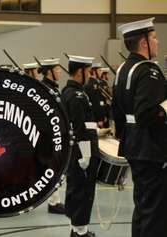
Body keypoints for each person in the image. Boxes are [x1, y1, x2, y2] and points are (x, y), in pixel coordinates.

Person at [112, 17, 167, 237]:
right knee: (157, 213)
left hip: (134, 147)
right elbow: (147, 115)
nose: (157, 42)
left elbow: (117, 112)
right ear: (143, 42)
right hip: (153, 149)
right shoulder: (148, 71)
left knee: (143, 208)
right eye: (154, 38)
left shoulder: (123, 70)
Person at [61, 55, 98, 237]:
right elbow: (79, 127)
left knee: (76, 188)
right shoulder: (75, 95)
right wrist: (86, 154)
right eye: (88, 71)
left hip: (78, 148)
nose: (90, 75)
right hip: (82, 149)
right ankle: (80, 232)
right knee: (83, 190)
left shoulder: (72, 92)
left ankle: (76, 228)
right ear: (80, 72)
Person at [38, 58, 66, 215]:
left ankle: (55, 201)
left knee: (56, 168)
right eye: (56, 69)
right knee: (52, 168)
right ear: (49, 71)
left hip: (55, 133)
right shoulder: (44, 88)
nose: (59, 72)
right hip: (48, 134)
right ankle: (53, 202)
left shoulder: (53, 88)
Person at [84, 63, 108, 128]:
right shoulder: (91, 84)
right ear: (94, 72)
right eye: (99, 70)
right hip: (95, 117)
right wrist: (99, 118)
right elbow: (95, 103)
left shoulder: (97, 83)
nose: (101, 72)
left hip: (101, 114)